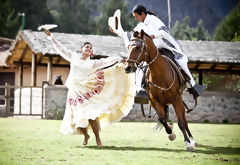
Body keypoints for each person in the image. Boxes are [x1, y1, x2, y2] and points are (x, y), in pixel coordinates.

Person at [42, 28, 136, 147]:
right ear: (82, 49)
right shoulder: (73, 57)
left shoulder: (92, 63)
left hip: (86, 90)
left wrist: (118, 59)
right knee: (79, 116)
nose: (88, 49)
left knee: (91, 115)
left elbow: (105, 61)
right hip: (74, 91)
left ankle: (98, 138)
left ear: (91, 52)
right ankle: (86, 135)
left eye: (90, 48)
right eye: (86, 47)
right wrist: (51, 37)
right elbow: (61, 49)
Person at [109, 5, 206, 97]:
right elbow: (132, 36)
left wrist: (153, 35)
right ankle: (140, 89)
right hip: (153, 48)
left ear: (142, 14)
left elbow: (164, 31)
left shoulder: (154, 20)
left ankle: (192, 85)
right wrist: (120, 33)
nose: (135, 19)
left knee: (180, 61)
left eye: (136, 16)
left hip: (166, 45)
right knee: (140, 63)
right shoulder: (140, 25)